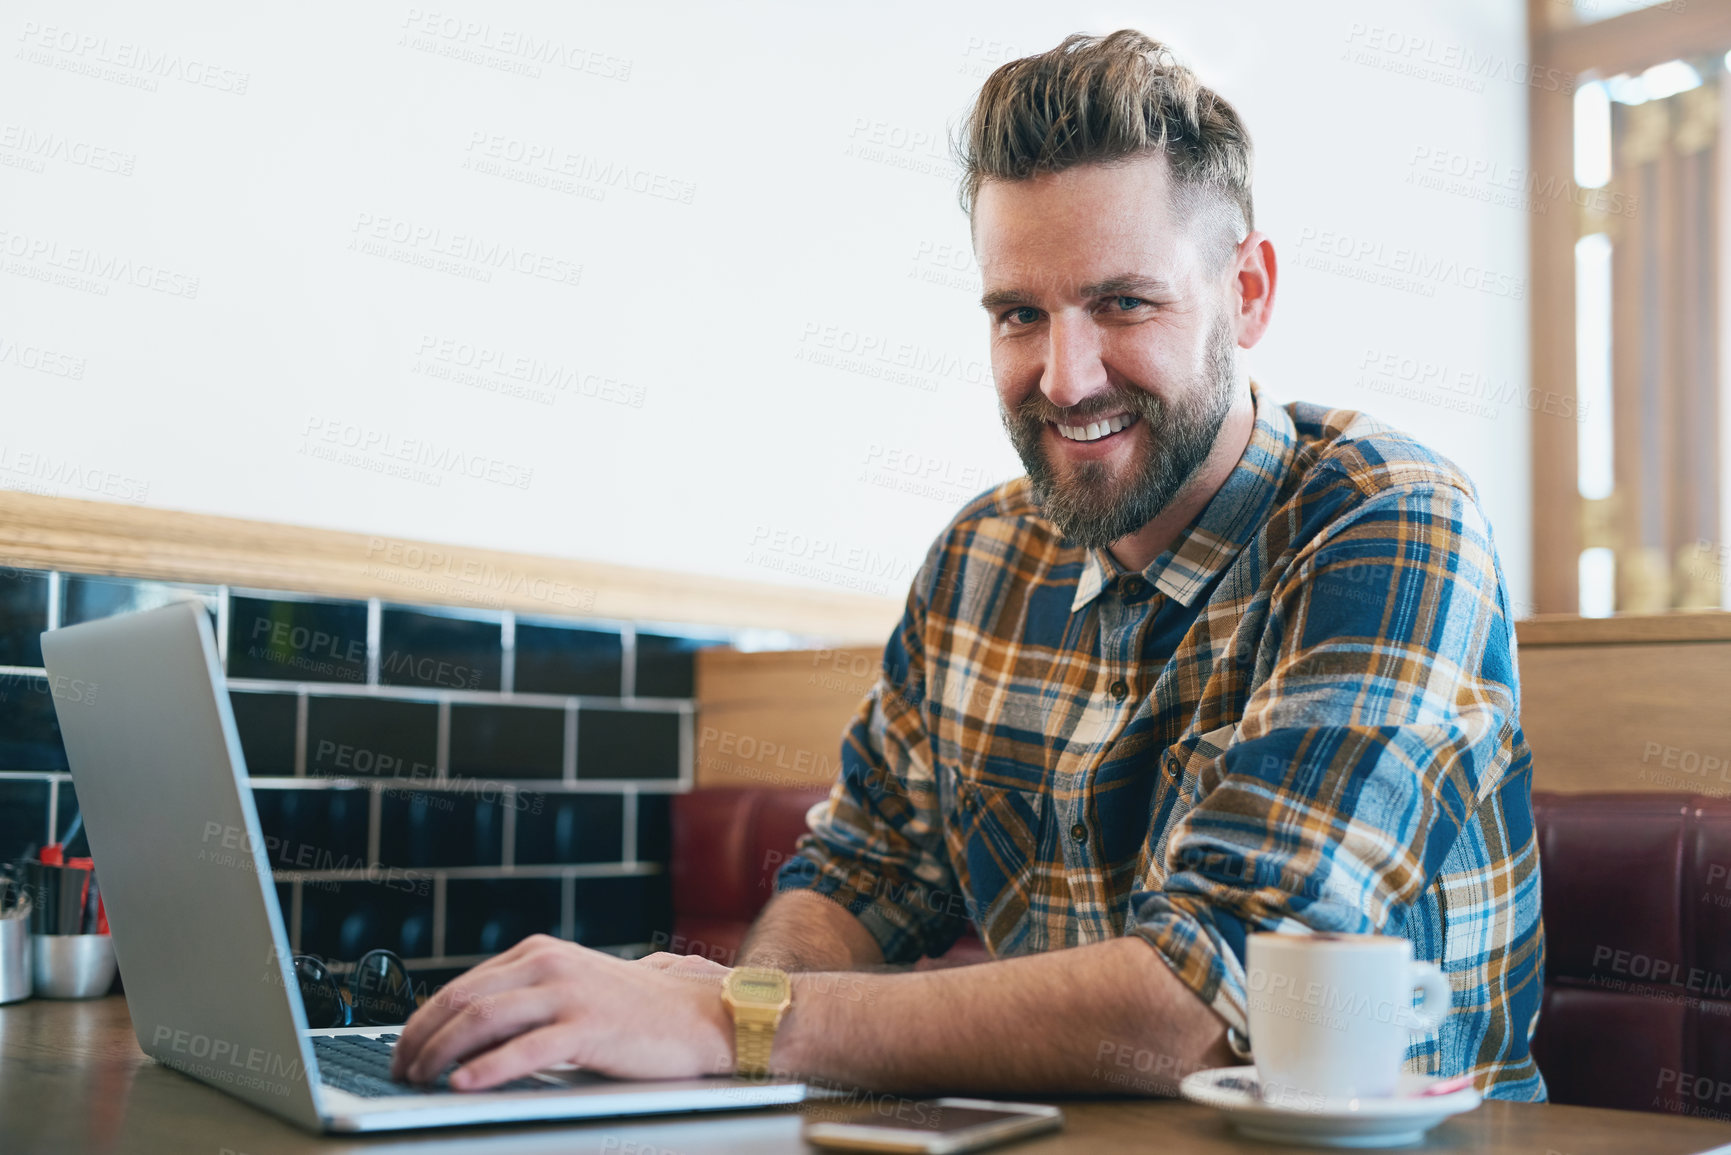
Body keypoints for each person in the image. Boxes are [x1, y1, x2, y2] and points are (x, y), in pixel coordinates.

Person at [389, 28, 1545, 1101]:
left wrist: (732, 1026)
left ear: (1245, 295)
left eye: (1122, 304)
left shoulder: (1388, 524)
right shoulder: (982, 558)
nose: (1064, 377)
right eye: (1018, 315)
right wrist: (738, 1015)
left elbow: (1213, 999)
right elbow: (857, 877)